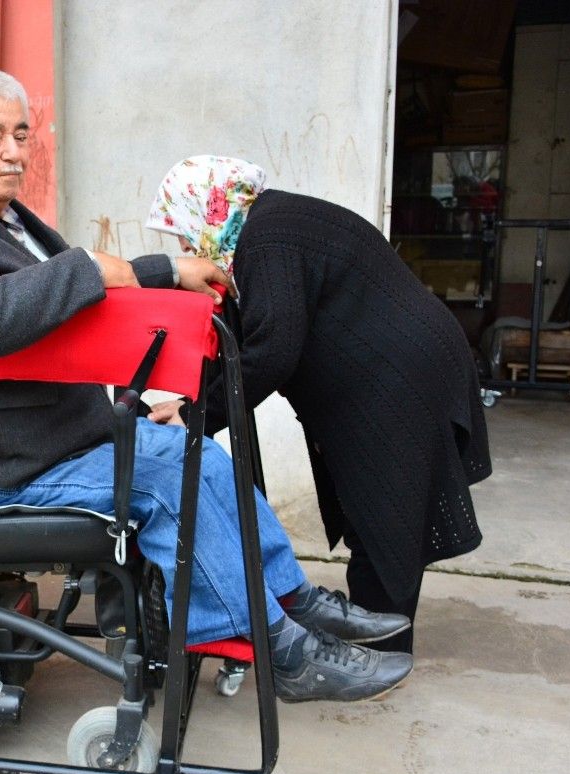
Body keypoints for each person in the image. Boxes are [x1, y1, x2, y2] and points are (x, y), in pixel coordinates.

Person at [0, 64, 414, 702]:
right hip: (5, 466)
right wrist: (93, 266)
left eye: (21, 134)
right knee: (164, 486)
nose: (15, 152)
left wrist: (157, 273)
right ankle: (280, 650)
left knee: (199, 453)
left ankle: (290, 597)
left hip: (61, 435)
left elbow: (67, 296)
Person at [146, 155, 493, 654]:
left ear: (208, 208)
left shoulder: (266, 239)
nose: (184, 246)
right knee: (372, 514)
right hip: (394, 371)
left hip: (400, 377)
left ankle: (382, 651)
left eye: (182, 229)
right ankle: (377, 633)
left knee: (384, 519)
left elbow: (271, 351)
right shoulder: (265, 227)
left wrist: (199, 414)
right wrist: (193, 402)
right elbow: (253, 342)